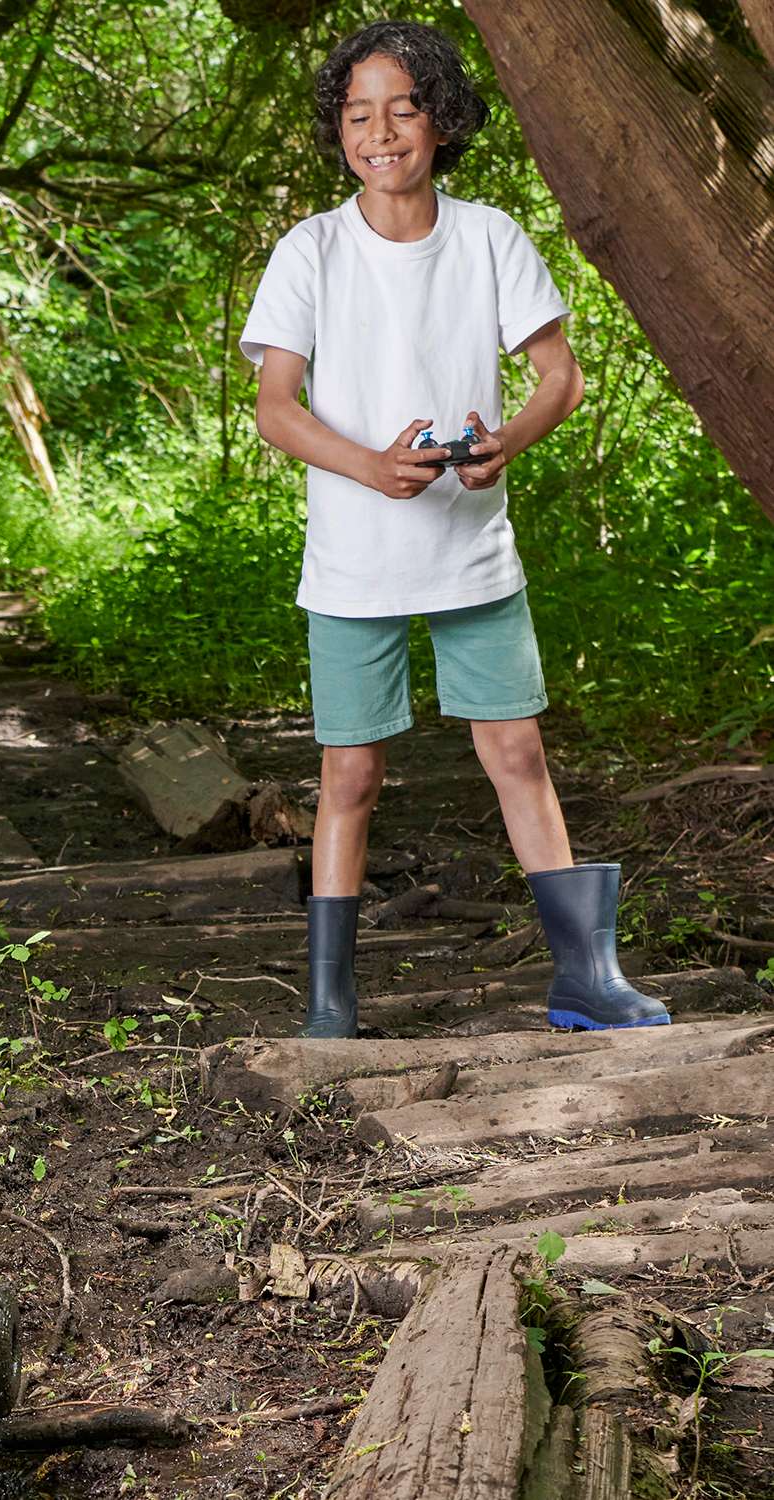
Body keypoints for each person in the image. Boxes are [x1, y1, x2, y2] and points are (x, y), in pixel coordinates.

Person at [238, 19, 670, 1039]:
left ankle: (584, 980)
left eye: (401, 109)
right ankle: (331, 1008)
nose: (379, 132)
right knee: (351, 771)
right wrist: (370, 466)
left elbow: (556, 375)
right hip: (353, 559)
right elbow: (275, 407)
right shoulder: (312, 249)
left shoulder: (489, 237)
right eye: (357, 115)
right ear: (338, 132)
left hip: (474, 550)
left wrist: (505, 440)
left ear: (440, 120)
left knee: (516, 751)